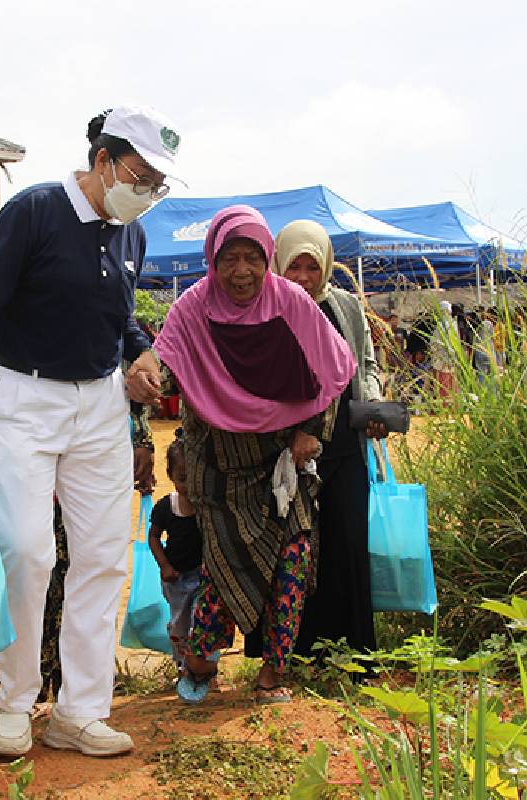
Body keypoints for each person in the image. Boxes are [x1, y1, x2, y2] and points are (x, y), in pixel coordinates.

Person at [0, 105, 181, 757]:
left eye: (159, 186)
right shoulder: (34, 212)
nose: (147, 194)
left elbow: (118, 319)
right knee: (29, 551)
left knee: (102, 557)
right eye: (140, 178)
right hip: (22, 397)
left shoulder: (131, 234)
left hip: (99, 403)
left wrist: (140, 353)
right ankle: (13, 704)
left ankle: (80, 712)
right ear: (103, 162)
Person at [153, 205, 356, 705]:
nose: (241, 271)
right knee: (226, 568)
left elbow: (335, 369)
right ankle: (200, 660)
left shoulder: (289, 301)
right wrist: (144, 384)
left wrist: (312, 429)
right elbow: (163, 363)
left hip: (281, 462)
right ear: (212, 261)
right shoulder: (193, 306)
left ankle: (273, 675)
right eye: (229, 259)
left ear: (268, 259)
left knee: (292, 562)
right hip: (219, 465)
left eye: (252, 258)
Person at [269, 220, 386, 668]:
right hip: (292, 450)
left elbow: (367, 363)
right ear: (278, 264)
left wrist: (372, 401)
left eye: (310, 267)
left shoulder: (347, 307)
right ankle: (296, 654)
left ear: (326, 268)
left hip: (345, 448)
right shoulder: (269, 308)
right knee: (298, 550)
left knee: (348, 544)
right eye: (293, 266)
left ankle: (355, 654)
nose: (301, 276)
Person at [37, 403, 155, 711]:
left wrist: (142, 439)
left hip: (90, 473)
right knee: (36, 579)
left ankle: (79, 688)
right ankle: (34, 684)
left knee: (91, 575)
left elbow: (126, 372)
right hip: (37, 473)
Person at [146, 430, 203, 674]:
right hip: (176, 580)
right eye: (182, 478)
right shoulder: (166, 507)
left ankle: (206, 668)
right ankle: (183, 666)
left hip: (202, 576)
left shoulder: (205, 507)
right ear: (170, 476)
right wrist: (164, 566)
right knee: (180, 624)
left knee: (202, 621)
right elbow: (153, 537)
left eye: (194, 478)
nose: (188, 486)